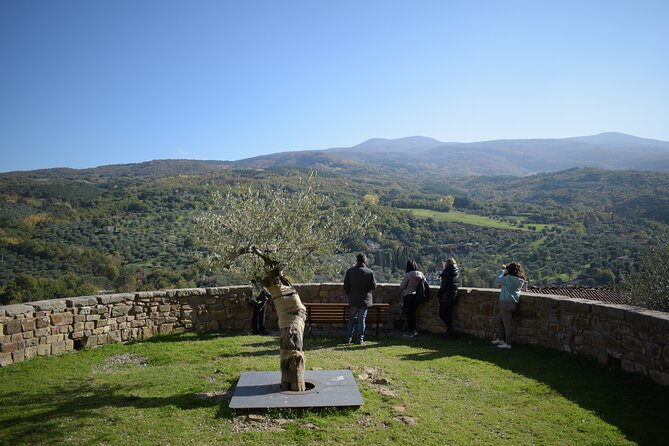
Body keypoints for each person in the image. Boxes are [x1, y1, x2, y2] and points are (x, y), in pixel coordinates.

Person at [343, 253, 377, 345]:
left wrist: (349, 293)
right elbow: (373, 286)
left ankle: (348, 338)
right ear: (365, 260)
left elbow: (346, 285)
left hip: (353, 299)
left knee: (352, 319)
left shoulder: (350, 271)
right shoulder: (369, 272)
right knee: (362, 319)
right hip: (365, 300)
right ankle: (360, 339)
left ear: (356, 260)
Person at [491, 262, 527, 349]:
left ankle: (507, 344)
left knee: (507, 325)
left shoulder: (508, 279)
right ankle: (500, 339)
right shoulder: (520, 280)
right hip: (514, 303)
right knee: (498, 320)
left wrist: (502, 271)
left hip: (506, 303)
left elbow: (498, 279)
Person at [399, 259, 425, 337]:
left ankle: (410, 331)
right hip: (416, 296)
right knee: (413, 314)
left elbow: (402, 286)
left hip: (408, 295)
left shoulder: (408, 275)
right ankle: (414, 330)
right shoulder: (421, 275)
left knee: (408, 314)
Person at [437, 258, 461, 338]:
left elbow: (443, 286)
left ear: (446, 264)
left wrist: (438, 294)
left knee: (442, 314)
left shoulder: (446, 273)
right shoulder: (456, 273)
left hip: (445, 297)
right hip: (453, 297)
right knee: (449, 315)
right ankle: (449, 332)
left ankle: (451, 329)